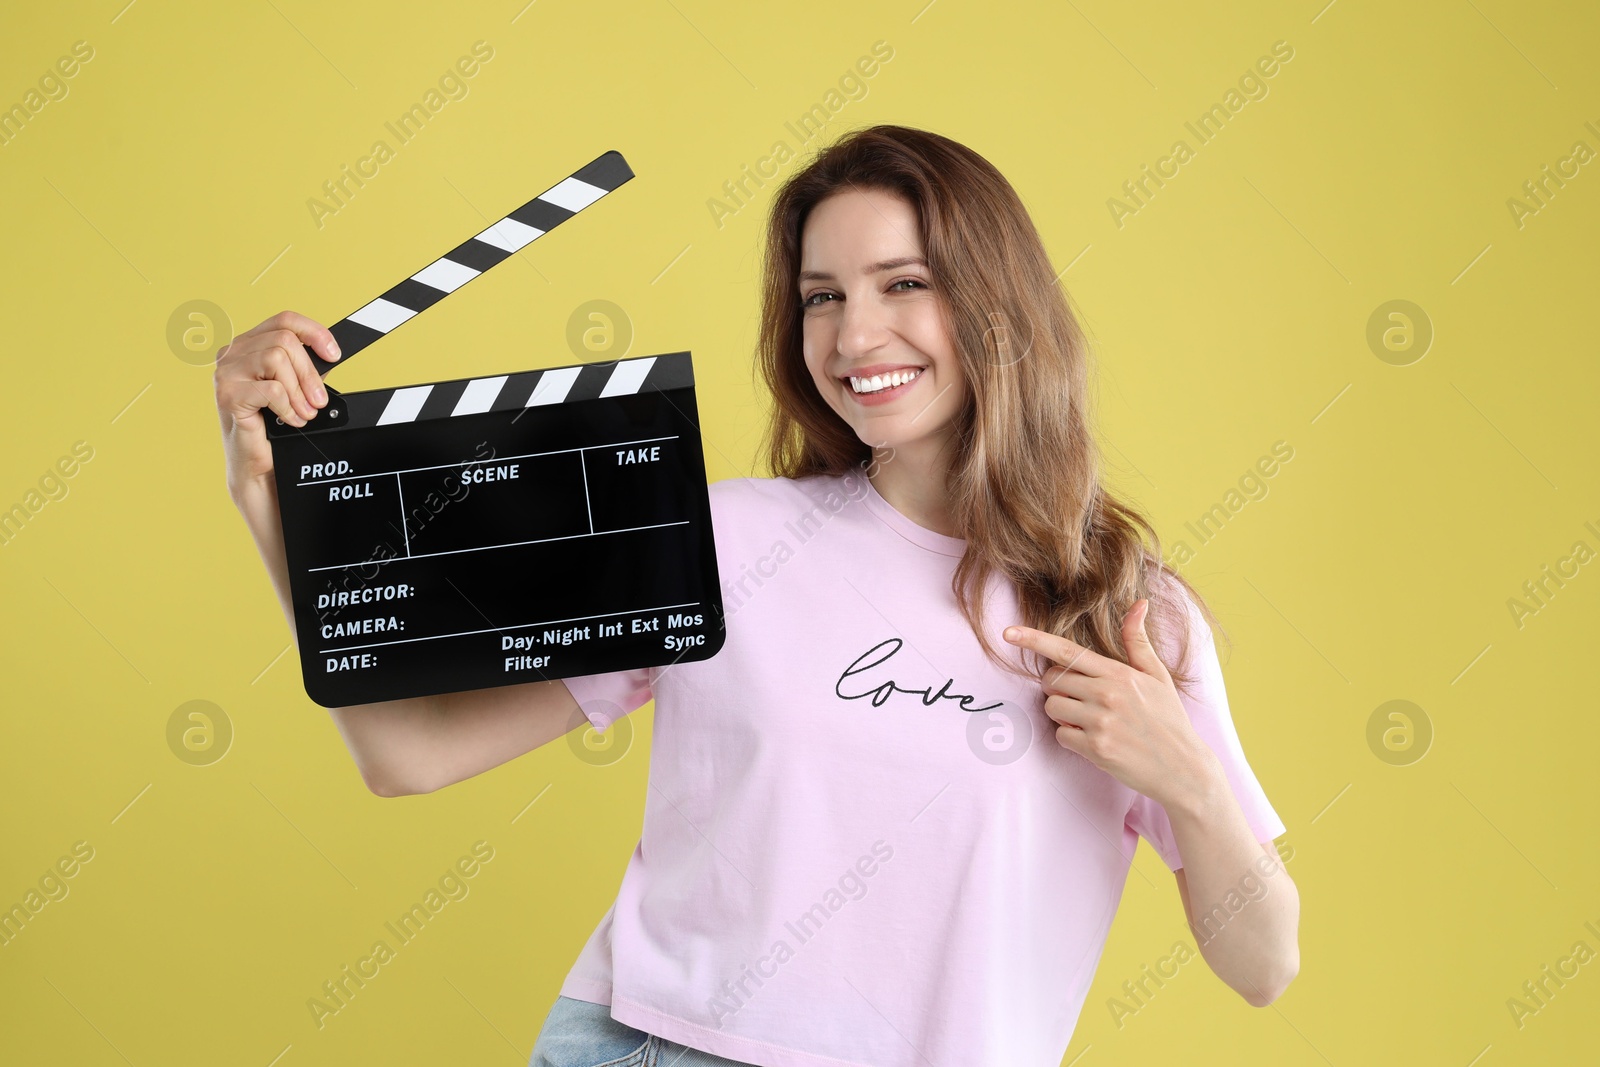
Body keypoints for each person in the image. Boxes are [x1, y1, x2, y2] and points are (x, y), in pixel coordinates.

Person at [216, 124, 1299, 1067]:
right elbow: (407, 754)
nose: (853, 334)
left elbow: (1262, 964)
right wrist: (270, 502)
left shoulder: (1126, 616)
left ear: (998, 304)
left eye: (903, 283)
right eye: (822, 296)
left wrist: (1192, 780)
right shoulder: (725, 537)